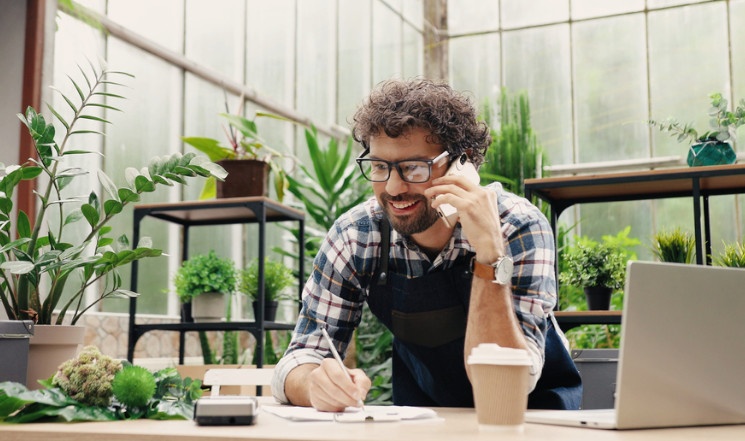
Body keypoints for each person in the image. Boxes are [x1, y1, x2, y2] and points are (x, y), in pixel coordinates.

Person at [271, 78, 582, 411]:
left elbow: (506, 383)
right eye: (379, 167)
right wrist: (314, 384)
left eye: (413, 168)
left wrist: (490, 254)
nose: (392, 187)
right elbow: (300, 358)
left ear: (463, 163)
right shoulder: (357, 236)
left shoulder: (517, 225)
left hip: (531, 418)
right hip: (428, 419)